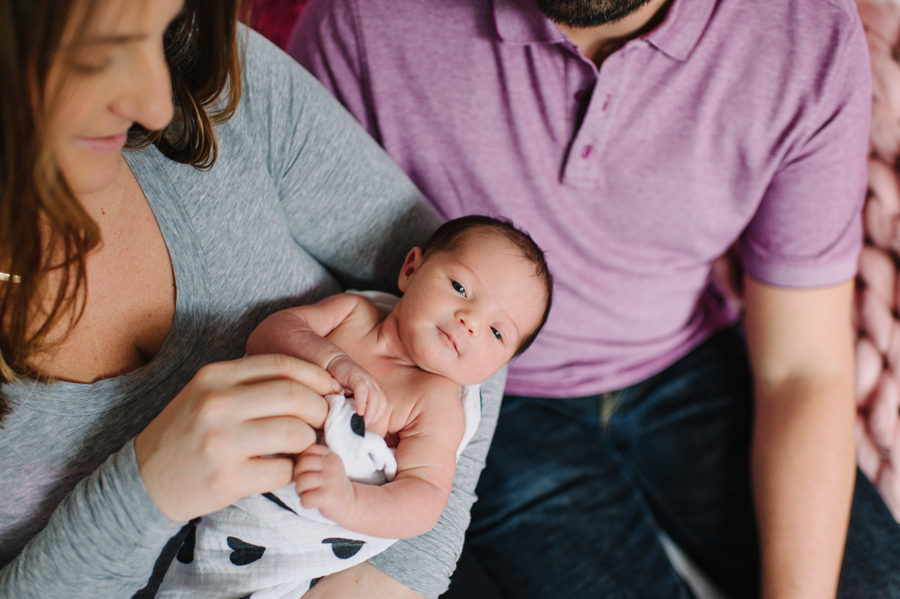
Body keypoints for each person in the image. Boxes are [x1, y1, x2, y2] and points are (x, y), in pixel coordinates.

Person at [288, 0, 900, 597]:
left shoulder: (805, 27)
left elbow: (802, 369)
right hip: (498, 400)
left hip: (693, 360)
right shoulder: (362, 19)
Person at [0, 1, 508, 598]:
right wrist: (141, 494)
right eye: (97, 56)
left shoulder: (204, 80)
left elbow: (480, 297)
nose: (156, 106)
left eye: (157, 32)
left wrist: (377, 579)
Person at [157, 215, 553, 598]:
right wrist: (334, 362)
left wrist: (346, 500)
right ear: (411, 269)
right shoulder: (354, 312)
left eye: (497, 331)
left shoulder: (435, 403)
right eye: (460, 287)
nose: (470, 321)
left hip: (293, 540)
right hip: (217, 473)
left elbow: (423, 500)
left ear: (500, 367)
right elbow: (269, 334)